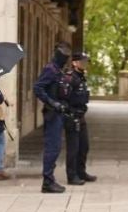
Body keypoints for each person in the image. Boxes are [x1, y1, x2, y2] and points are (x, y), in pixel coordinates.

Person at [34, 42, 72, 193]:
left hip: (59, 113)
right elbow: (38, 87)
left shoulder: (58, 70)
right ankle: (47, 181)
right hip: (52, 113)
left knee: (55, 148)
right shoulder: (50, 69)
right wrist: (52, 102)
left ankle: (49, 179)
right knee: (52, 147)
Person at [63, 52, 97, 185]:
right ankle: (72, 176)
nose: (85, 64)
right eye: (82, 61)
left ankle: (81, 171)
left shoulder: (81, 77)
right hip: (72, 116)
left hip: (81, 115)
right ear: (75, 63)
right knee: (73, 148)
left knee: (84, 146)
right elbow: (64, 98)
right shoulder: (69, 78)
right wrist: (69, 113)